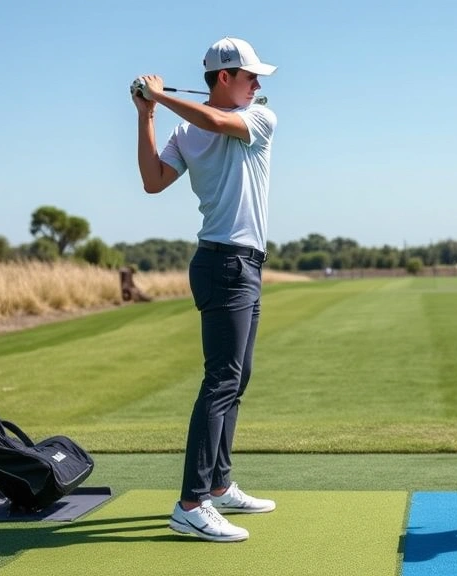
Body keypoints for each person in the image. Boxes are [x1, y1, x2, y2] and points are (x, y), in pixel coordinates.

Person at [132, 36, 279, 543]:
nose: (258, 85)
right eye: (249, 76)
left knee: (237, 379)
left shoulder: (260, 118)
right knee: (221, 380)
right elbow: (153, 180)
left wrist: (160, 96)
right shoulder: (184, 130)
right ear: (224, 77)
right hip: (223, 263)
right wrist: (145, 113)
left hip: (245, 263)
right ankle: (191, 503)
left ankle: (217, 485)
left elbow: (215, 121)